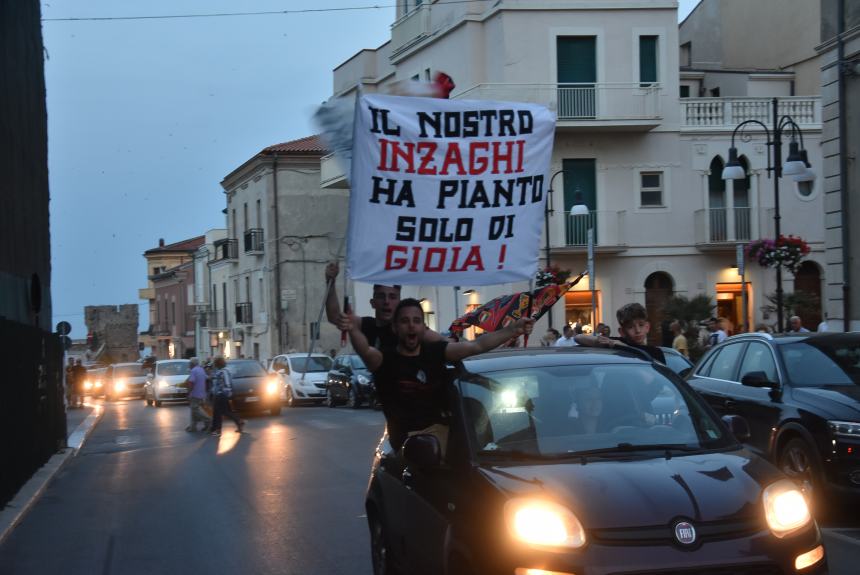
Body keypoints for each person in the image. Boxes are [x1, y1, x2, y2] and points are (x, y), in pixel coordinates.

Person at [339, 298, 534, 455]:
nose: (411, 326)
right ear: (395, 328)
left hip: (450, 438)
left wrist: (512, 329)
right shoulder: (384, 361)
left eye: (416, 321)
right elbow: (364, 350)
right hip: (414, 447)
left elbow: (477, 346)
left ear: (424, 327)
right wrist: (352, 329)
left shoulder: (436, 352)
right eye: (405, 321)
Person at [574, 302, 666, 364]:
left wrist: (626, 347)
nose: (637, 331)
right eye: (630, 327)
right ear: (622, 332)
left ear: (647, 327)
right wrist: (603, 341)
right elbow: (578, 338)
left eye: (641, 325)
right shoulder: (615, 344)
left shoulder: (656, 353)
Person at [209, 357, 245, 436]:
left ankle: (217, 430)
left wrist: (224, 391)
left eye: (215, 363)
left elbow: (226, 383)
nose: (214, 365)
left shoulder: (222, 372)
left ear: (217, 364)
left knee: (218, 412)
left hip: (221, 394)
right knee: (226, 411)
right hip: (222, 394)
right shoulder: (225, 371)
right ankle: (239, 422)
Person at [185, 358, 212, 432]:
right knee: (194, 410)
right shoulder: (201, 369)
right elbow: (207, 378)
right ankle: (193, 426)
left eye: (190, 364)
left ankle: (208, 420)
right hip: (202, 393)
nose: (189, 365)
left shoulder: (193, 371)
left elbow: (191, 382)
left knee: (195, 410)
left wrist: (189, 392)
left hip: (195, 393)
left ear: (192, 364)